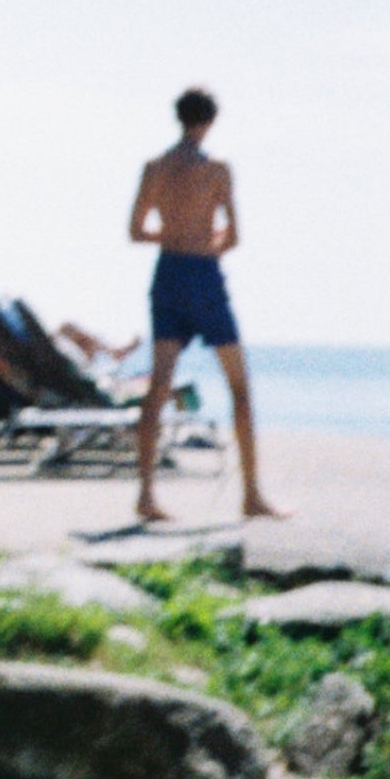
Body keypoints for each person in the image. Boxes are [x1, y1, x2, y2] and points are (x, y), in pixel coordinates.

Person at [129, 86, 281, 523]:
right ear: (210, 121)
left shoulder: (155, 168)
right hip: (203, 277)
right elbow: (233, 236)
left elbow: (136, 231)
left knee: (158, 388)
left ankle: (145, 496)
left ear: (179, 118)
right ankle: (251, 495)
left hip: (168, 275)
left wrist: (174, 235)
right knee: (239, 387)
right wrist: (202, 239)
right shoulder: (217, 170)